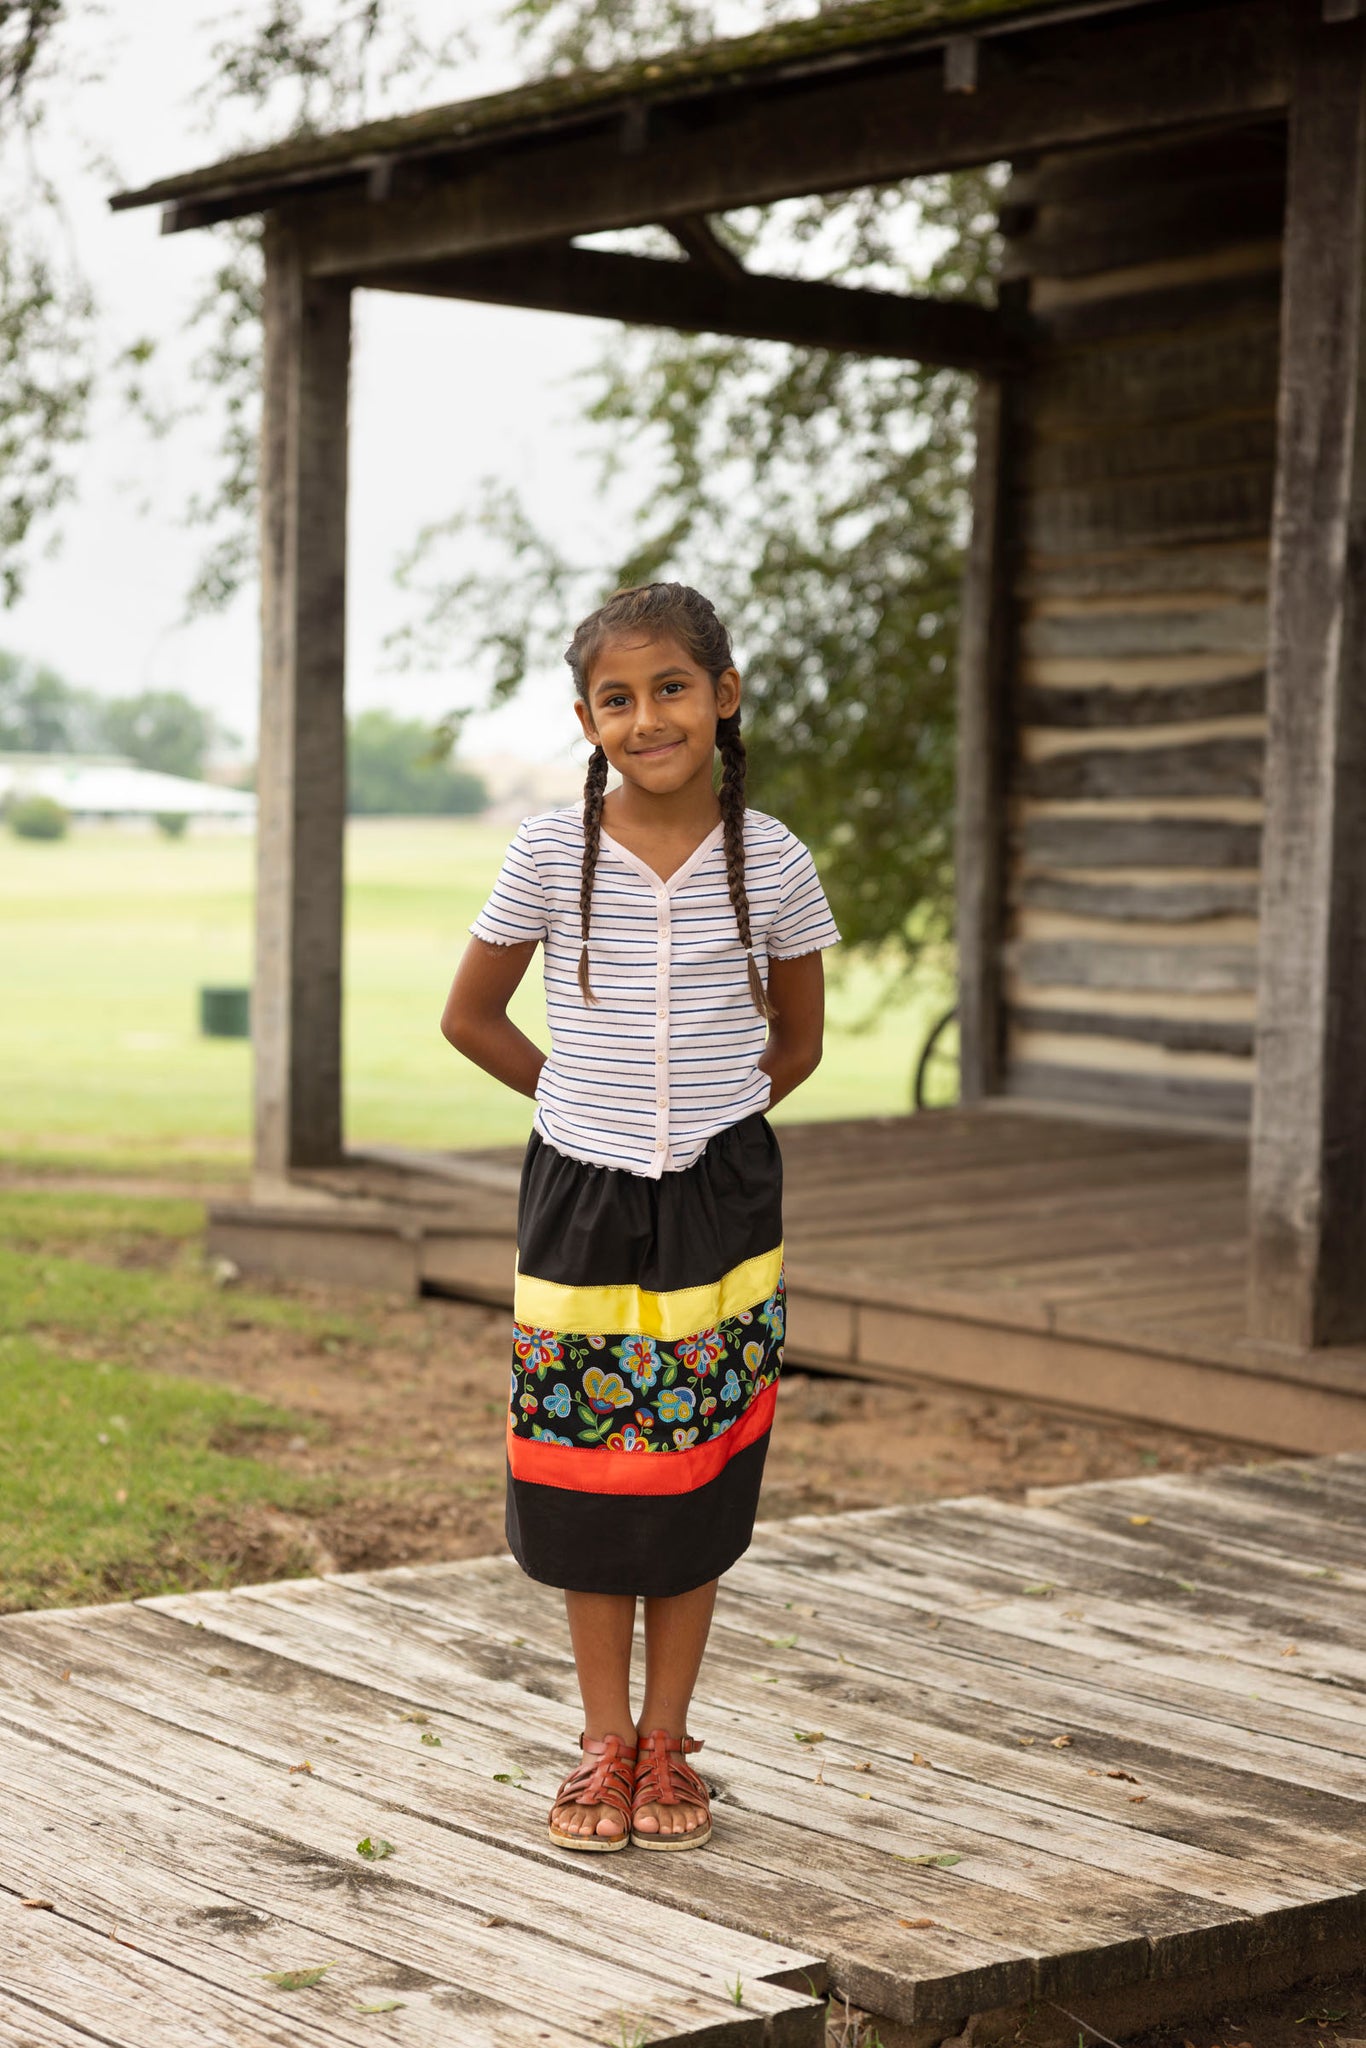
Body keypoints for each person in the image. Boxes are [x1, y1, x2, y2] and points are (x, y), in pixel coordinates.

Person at [441, 581, 838, 1854]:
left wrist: (714, 1121)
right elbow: (471, 1016)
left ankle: (670, 1744)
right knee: (583, 1466)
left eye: (672, 686)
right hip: (580, 1195)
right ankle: (599, 1743)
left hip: (722, 1200)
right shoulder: (549, 854)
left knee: (695, 1464)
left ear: (723, 696)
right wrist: (581, 1102)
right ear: (585, 719)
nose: (647, 715)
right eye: (618, 697)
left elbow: (800, 1040)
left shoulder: (769, 857)